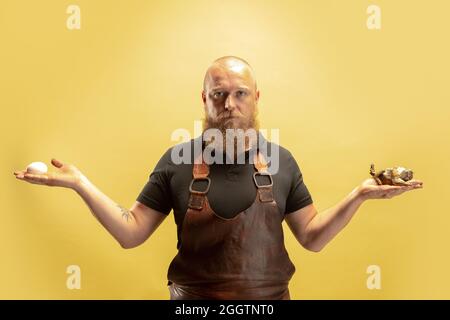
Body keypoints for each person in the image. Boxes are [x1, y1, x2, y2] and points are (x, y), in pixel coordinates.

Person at [14, 56, 423, 300]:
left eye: (241, 93)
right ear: (205, 99)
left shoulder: (281, 161)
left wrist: (359, 195)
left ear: (257, 97)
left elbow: (312, 238)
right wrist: (79, 183)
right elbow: (131, 232)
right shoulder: (177, 161)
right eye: (219, 94)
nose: (230, 104)